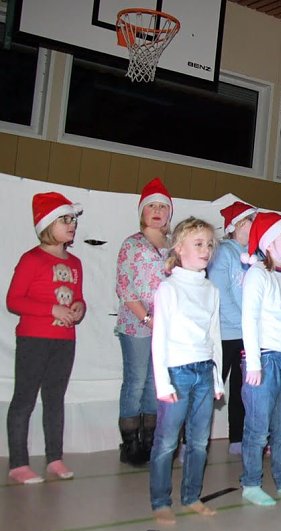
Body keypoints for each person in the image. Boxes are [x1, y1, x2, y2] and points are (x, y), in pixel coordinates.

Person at [6, 193, 86, 484]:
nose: (72, 225)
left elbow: (78, 299)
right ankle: (18, 463)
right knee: (24, 400)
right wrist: (50, 308)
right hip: (34, 340)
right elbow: (14, 300)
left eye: (73, 220)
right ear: (46, 224)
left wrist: (79, 308)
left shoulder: (75, 263)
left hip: (64, 341)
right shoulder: (31, 259)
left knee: (55, 399)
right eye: (65, 220)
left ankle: (54, 458)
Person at [149, 217, 225, 525]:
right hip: (177, 373)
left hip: (204, 372)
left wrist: (217, 377)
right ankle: (160, 500)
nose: (206, 249)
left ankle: (191, 496)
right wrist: (163, 383)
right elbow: (159, 339)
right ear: (179, 249)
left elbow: (214, 336)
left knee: (198, 441)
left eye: (209, 244)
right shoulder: (168, 289)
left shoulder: (211, 290)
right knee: (167, 441)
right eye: (198, 243)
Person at [239, 212, 281, 507]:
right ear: (268, 244)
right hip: (263, 360)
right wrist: (253, 363)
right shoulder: (257, 275)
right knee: (258, 427)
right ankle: (251, 483)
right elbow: (249, 320)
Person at [115, 178, 172, 466]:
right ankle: (129, 444)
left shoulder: (174, 246)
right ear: (142, 211)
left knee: (154, 384)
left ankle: (150, 441)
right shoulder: (132, 244)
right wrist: (148, 318)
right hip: (137, 325)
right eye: (152, 205)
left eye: (163, 206)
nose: (158, 210)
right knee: (136, 382)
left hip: (165, 328)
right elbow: (125, 288)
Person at [207, 201, 256, 456]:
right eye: (248, 221)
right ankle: (192, 441)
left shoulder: (255, 256)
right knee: (210, 388)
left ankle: (237, 436)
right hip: (224, 333)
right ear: (235, 226)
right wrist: (245, 319)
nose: (252, 226)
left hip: (246, 335)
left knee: (241, 389)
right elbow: (221, 293)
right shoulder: (223, 252)